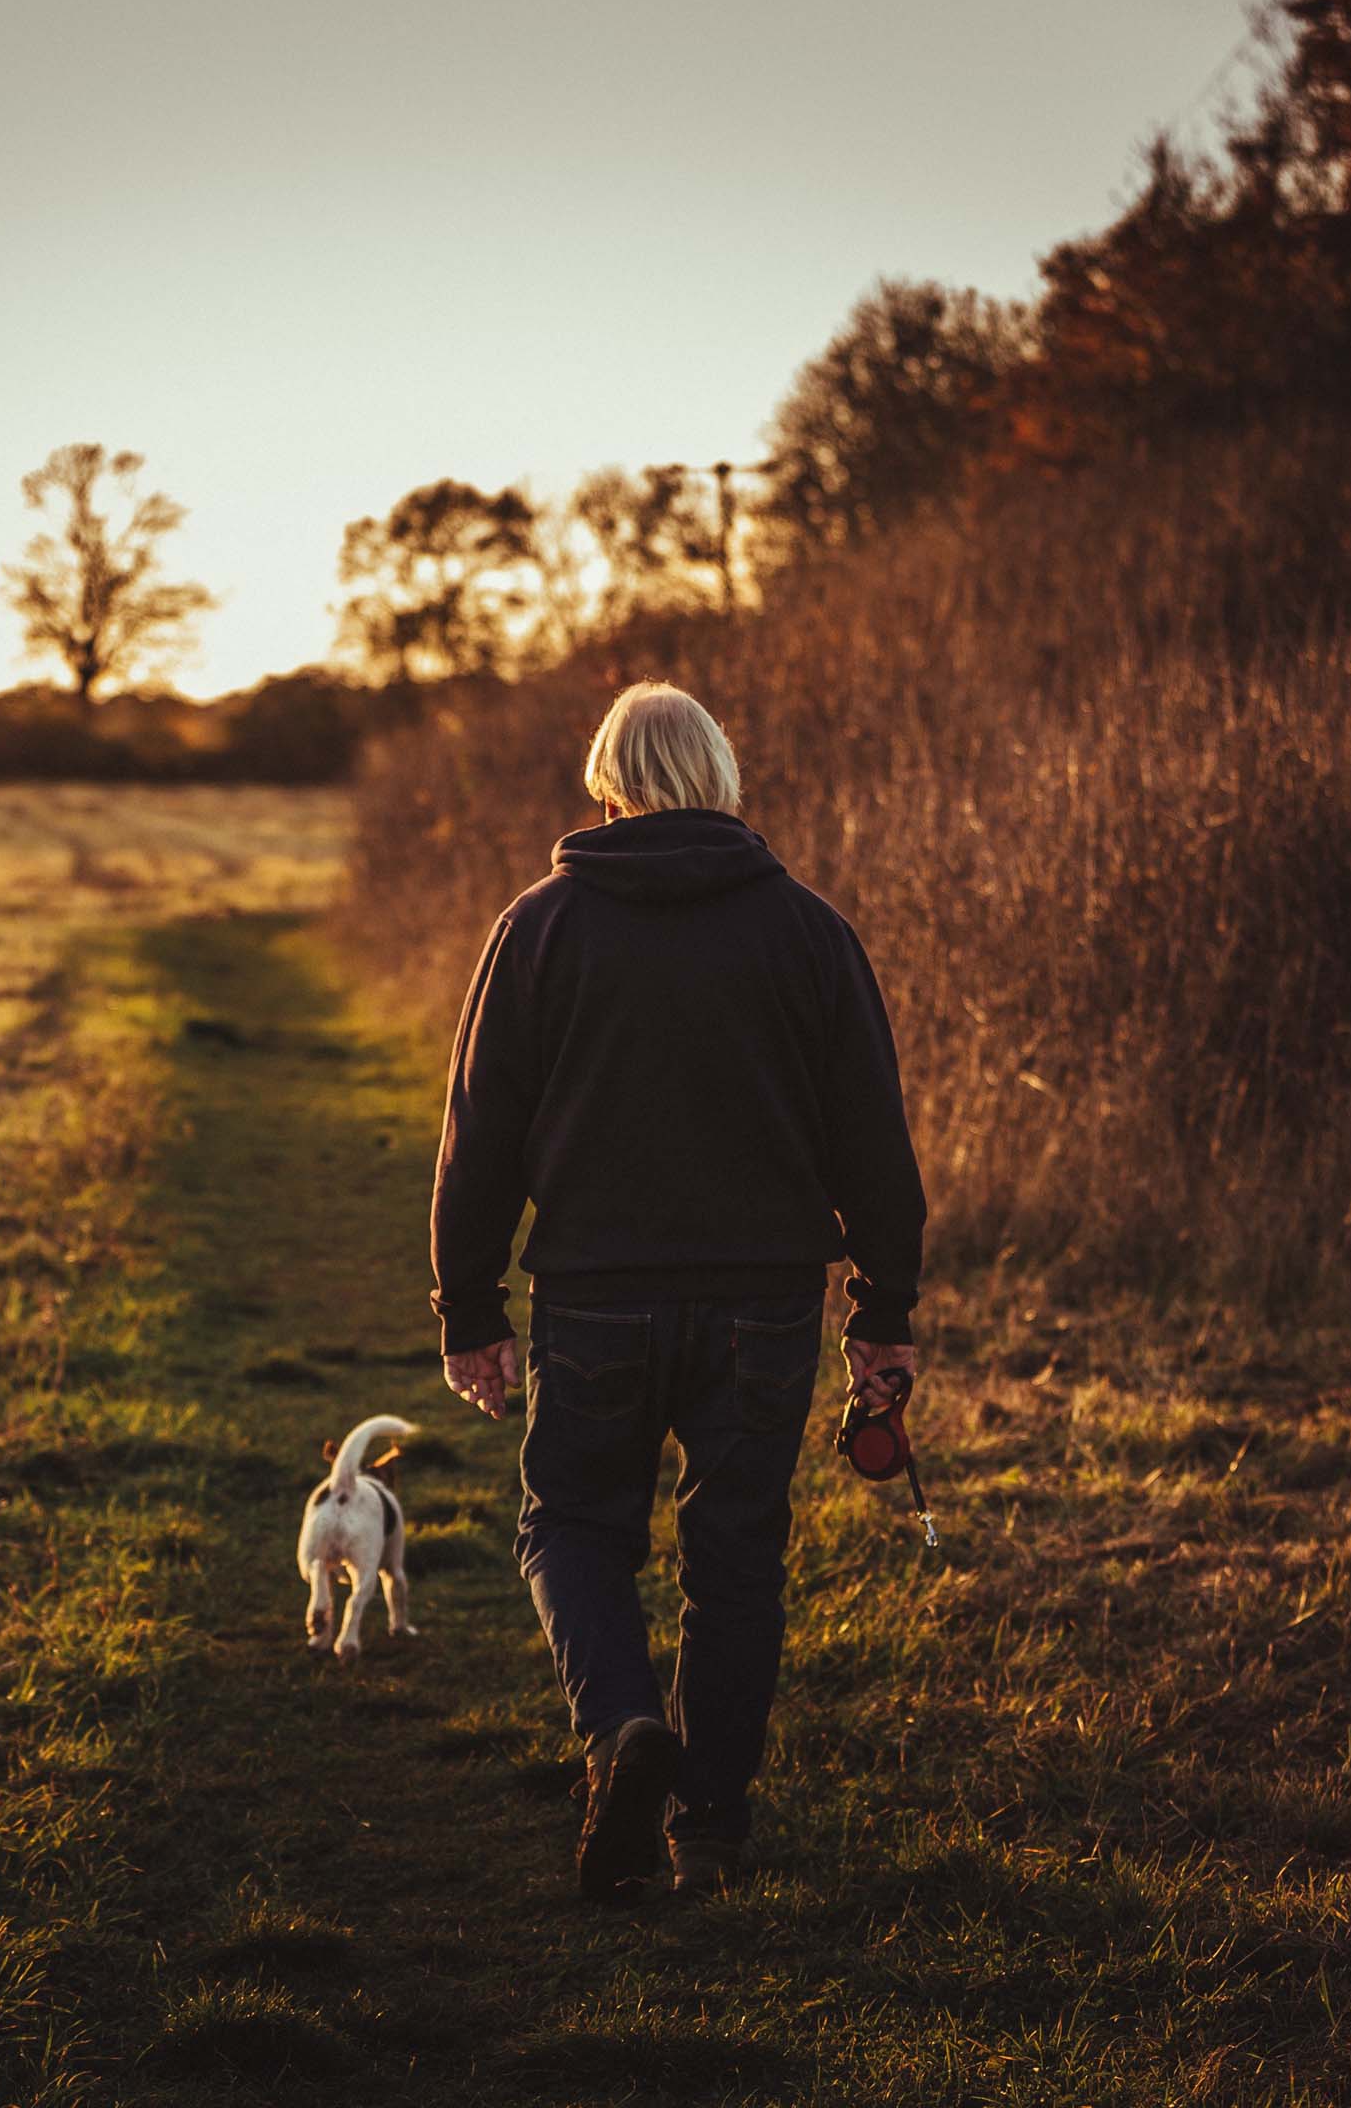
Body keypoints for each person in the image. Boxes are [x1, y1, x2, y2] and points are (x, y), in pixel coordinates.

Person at [431, 681, 926, 1901]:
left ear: (606, 782)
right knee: (736, 1561)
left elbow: (480, 1132)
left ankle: (620, 1732)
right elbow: (875, 1142)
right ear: (722, 778)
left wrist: (471, 1310)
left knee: (571, 1527)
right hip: (764, 1305)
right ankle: (708, 1829)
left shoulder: (539, 928)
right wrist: (884, 1314)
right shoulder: (809, 930)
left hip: (595, 1296)